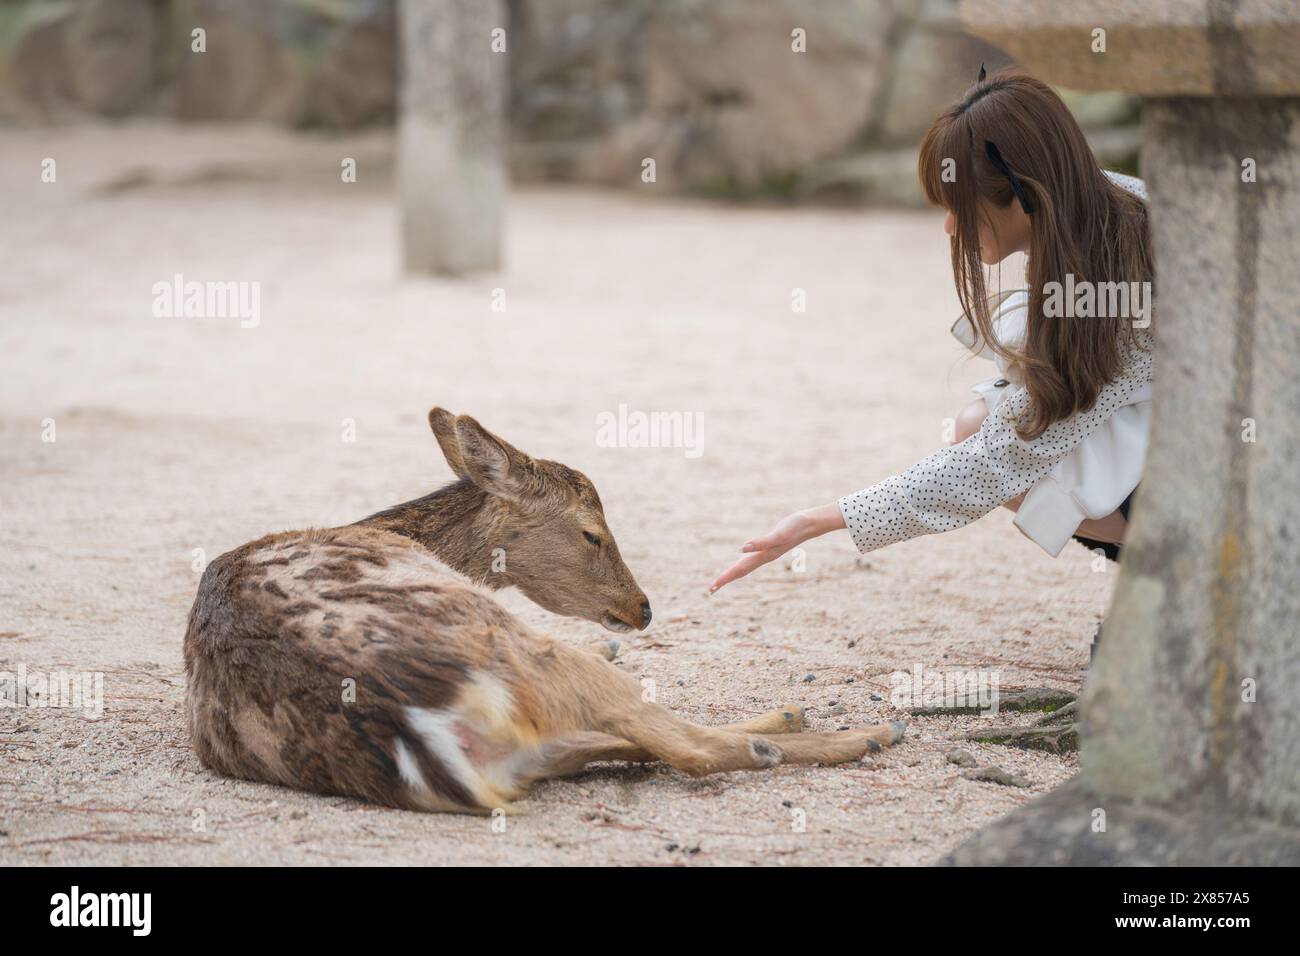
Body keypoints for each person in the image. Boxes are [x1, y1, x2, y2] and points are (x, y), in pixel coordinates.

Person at [710, 68, 1154, 596]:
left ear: (1020, 195)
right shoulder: (1102, 215)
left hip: (1233, 475)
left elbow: (1000, 459)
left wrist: (821, 520)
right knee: (979, 419)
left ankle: (1189, 570)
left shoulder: (1123, 277)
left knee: (985, 437)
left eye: (958, 208)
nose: (949, 228)